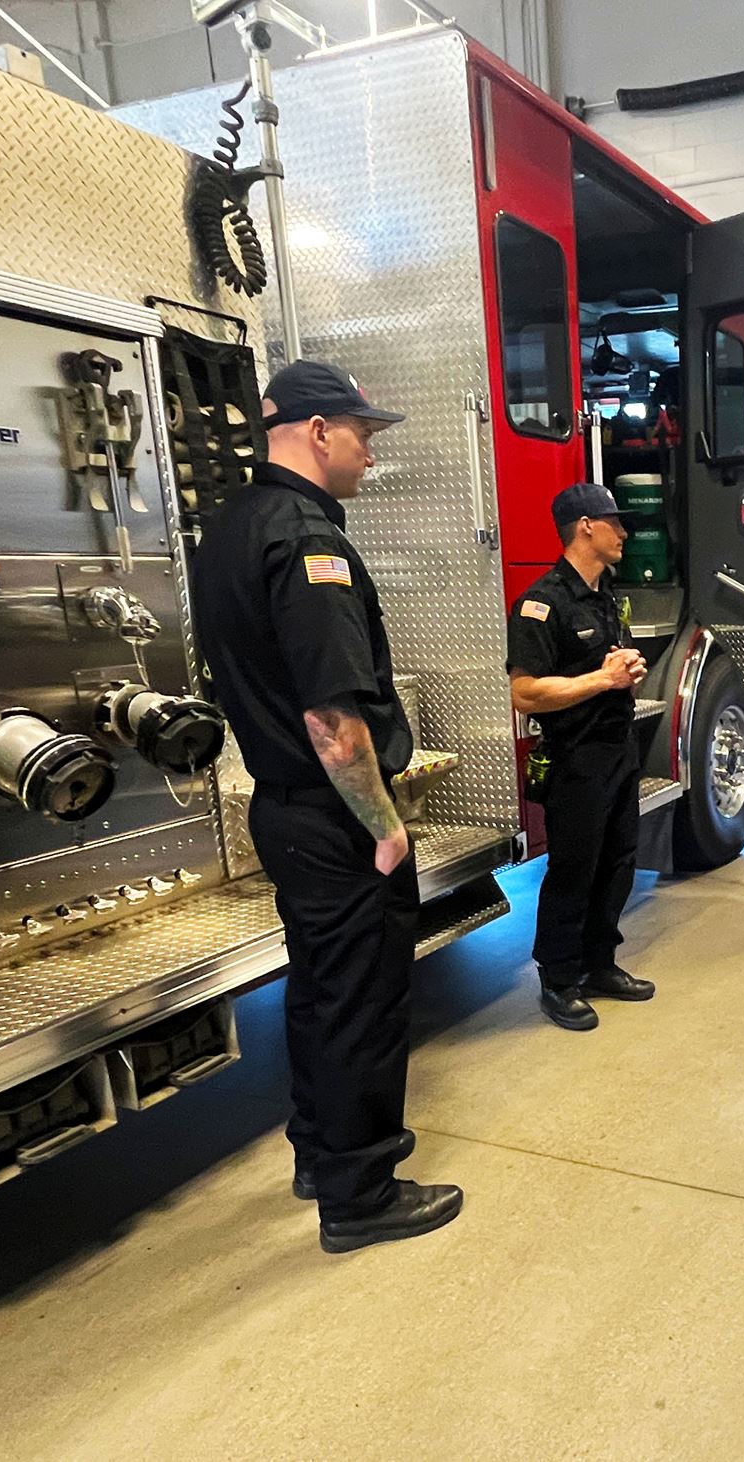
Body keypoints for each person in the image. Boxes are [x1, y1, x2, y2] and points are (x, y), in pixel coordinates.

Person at [192, 359, 461, 1253]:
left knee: (319, 993)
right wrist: (385, 827)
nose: (370, 456)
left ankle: (320, 1153)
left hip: (285, 808)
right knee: (363, 1005)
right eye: (363, 436)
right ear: (317, 431)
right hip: (334, 816)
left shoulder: (232, 525)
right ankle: (361, 1195)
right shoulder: (309, 543)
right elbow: (331, 719)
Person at [508, 483, 655, 1032]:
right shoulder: (542, 603)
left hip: (618, 749)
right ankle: (559, 980)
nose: (624, 532)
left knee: (618, 862)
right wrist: (602, 679)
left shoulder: (605, 595)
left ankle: (600, 965)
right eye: (615, 522)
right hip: (576, 759)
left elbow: (608, 670)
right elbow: (524, 693)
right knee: (575, 868)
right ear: (586, 526)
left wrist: (627, 672)